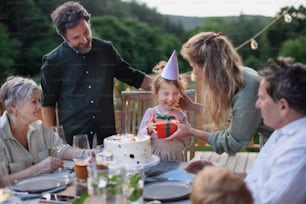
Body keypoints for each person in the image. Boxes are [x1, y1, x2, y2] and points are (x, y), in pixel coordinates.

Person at [186, 58, 306, 203]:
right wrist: (220, 173)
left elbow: (263, 200)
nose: (256, 104)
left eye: (261, 98)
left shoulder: (298, 149)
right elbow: (257, 179)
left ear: (283, 107)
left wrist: (214, 186)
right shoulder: (282, 132)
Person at [40, 1, 151, 146]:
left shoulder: (106, 50)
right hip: (73, 141)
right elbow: (47, 103)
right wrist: (54, 142)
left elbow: (134, 77)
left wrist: (167, 85)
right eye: (76, 37)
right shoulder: (52, 61)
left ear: (89, 23)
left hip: (107, 139)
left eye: (86, 32)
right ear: (64, 37)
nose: (84, 40)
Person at [167, 32, 273, 154]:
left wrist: (191, 132)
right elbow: (237, 115)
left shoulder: (247, 91)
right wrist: (192, 106)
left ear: (209, 67)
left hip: (287, 145)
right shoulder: (241, 75)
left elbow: (231, 143)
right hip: (272, 144)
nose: (194, 74)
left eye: (193, 66)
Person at [0, 76, 88, 183]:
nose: (40, 106)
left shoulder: (39, 126)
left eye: (39, 100)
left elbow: (59, 149)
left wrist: (86, 153)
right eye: (34, 102)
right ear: (13, 106)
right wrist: (37, 169)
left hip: (45, 192)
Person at [137, 51, 192, 161]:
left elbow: (189, 142)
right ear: (157, 94)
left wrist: (183, 133)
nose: (171, 98)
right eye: (166, 94)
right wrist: (148, 129)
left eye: (175, 94)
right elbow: (139, 138)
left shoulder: (180, 115)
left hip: (176, 160)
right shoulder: (151, 113)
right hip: (154, 159)